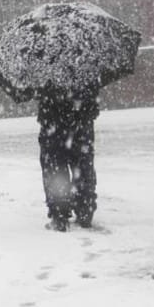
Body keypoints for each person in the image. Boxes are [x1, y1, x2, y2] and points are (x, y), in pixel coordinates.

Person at [37, 86, 99, 231]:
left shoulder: (45, 69)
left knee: (55, 168)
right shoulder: (86, 68)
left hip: (53, 121)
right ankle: (85, 209)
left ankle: (60, 214)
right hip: (81, 119)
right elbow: (93, 92)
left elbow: (39, 92)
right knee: (83, 165)